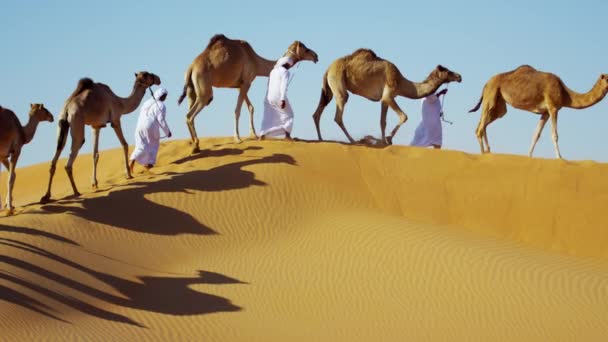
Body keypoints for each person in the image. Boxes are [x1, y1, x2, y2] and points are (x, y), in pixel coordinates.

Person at [129, 87, 171, 172]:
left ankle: (131, 161)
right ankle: (149, 164)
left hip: (139, 126)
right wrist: (167, 132)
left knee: (140, 145)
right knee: (154, 145)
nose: (165, 98)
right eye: (164, 96)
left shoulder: (146, 103)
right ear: (161, 96)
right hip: (151, 126)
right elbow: (161, 120)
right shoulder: (161, 105)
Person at [259, 56, 296, 140]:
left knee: (268, 116)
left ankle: (262, 135)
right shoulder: (285, 72)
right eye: (289, 65)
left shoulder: (273, 71)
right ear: (287, 64)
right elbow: (283, 86)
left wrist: (266, 99)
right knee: (289, 115)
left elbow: (268, 85)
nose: (289, 67)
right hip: (279, 96)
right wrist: (282, 99)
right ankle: (287, 135)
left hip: (269, 97)